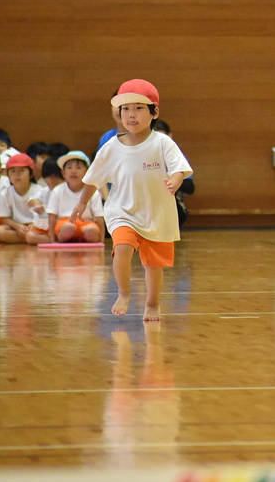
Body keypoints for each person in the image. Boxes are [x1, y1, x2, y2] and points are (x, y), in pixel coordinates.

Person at [72, 79, 192, 322]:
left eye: (138, 108)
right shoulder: (111, 147)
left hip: (156, 214)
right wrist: (82, 203)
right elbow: (93, 179)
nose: (131, 114)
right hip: (122, 211)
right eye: (125, 109)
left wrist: (176, 181)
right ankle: (124, 293)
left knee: (153, 266)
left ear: (154, 112)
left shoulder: (163, 142)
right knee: (123, 248)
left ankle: (152, 303)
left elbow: (179, 168)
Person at [0, 153, 50, 245]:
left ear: (31, 174)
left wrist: (34, 225)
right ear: (8, 175)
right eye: (12, 171)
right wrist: (17, 226)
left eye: (21, 171)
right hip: (17, 228)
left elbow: (46, 216)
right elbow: (5, 219)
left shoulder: (39, 191)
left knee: (37, 233)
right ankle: (30, 239)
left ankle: (31, 238)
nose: (17, 175)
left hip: (36, 226)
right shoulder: (5, 193)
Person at [47, 151, 104, 243]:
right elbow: (52, 216)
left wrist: (101, 240)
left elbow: (99, 216)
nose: (73, 171)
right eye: (69, 167)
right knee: (68, 228)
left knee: (91, 230)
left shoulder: (92, 191)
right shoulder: (58, 190)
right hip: (64, 222)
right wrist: (52, 240)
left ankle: (83, 236)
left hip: (87, 223)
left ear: (87, 172)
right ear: (63, 173)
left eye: (78, 167)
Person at [152, 119, 194, 226]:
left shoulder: (176, 156)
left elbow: (190, 187)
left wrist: (173, 180)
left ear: (169, 136)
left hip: (173, 207)